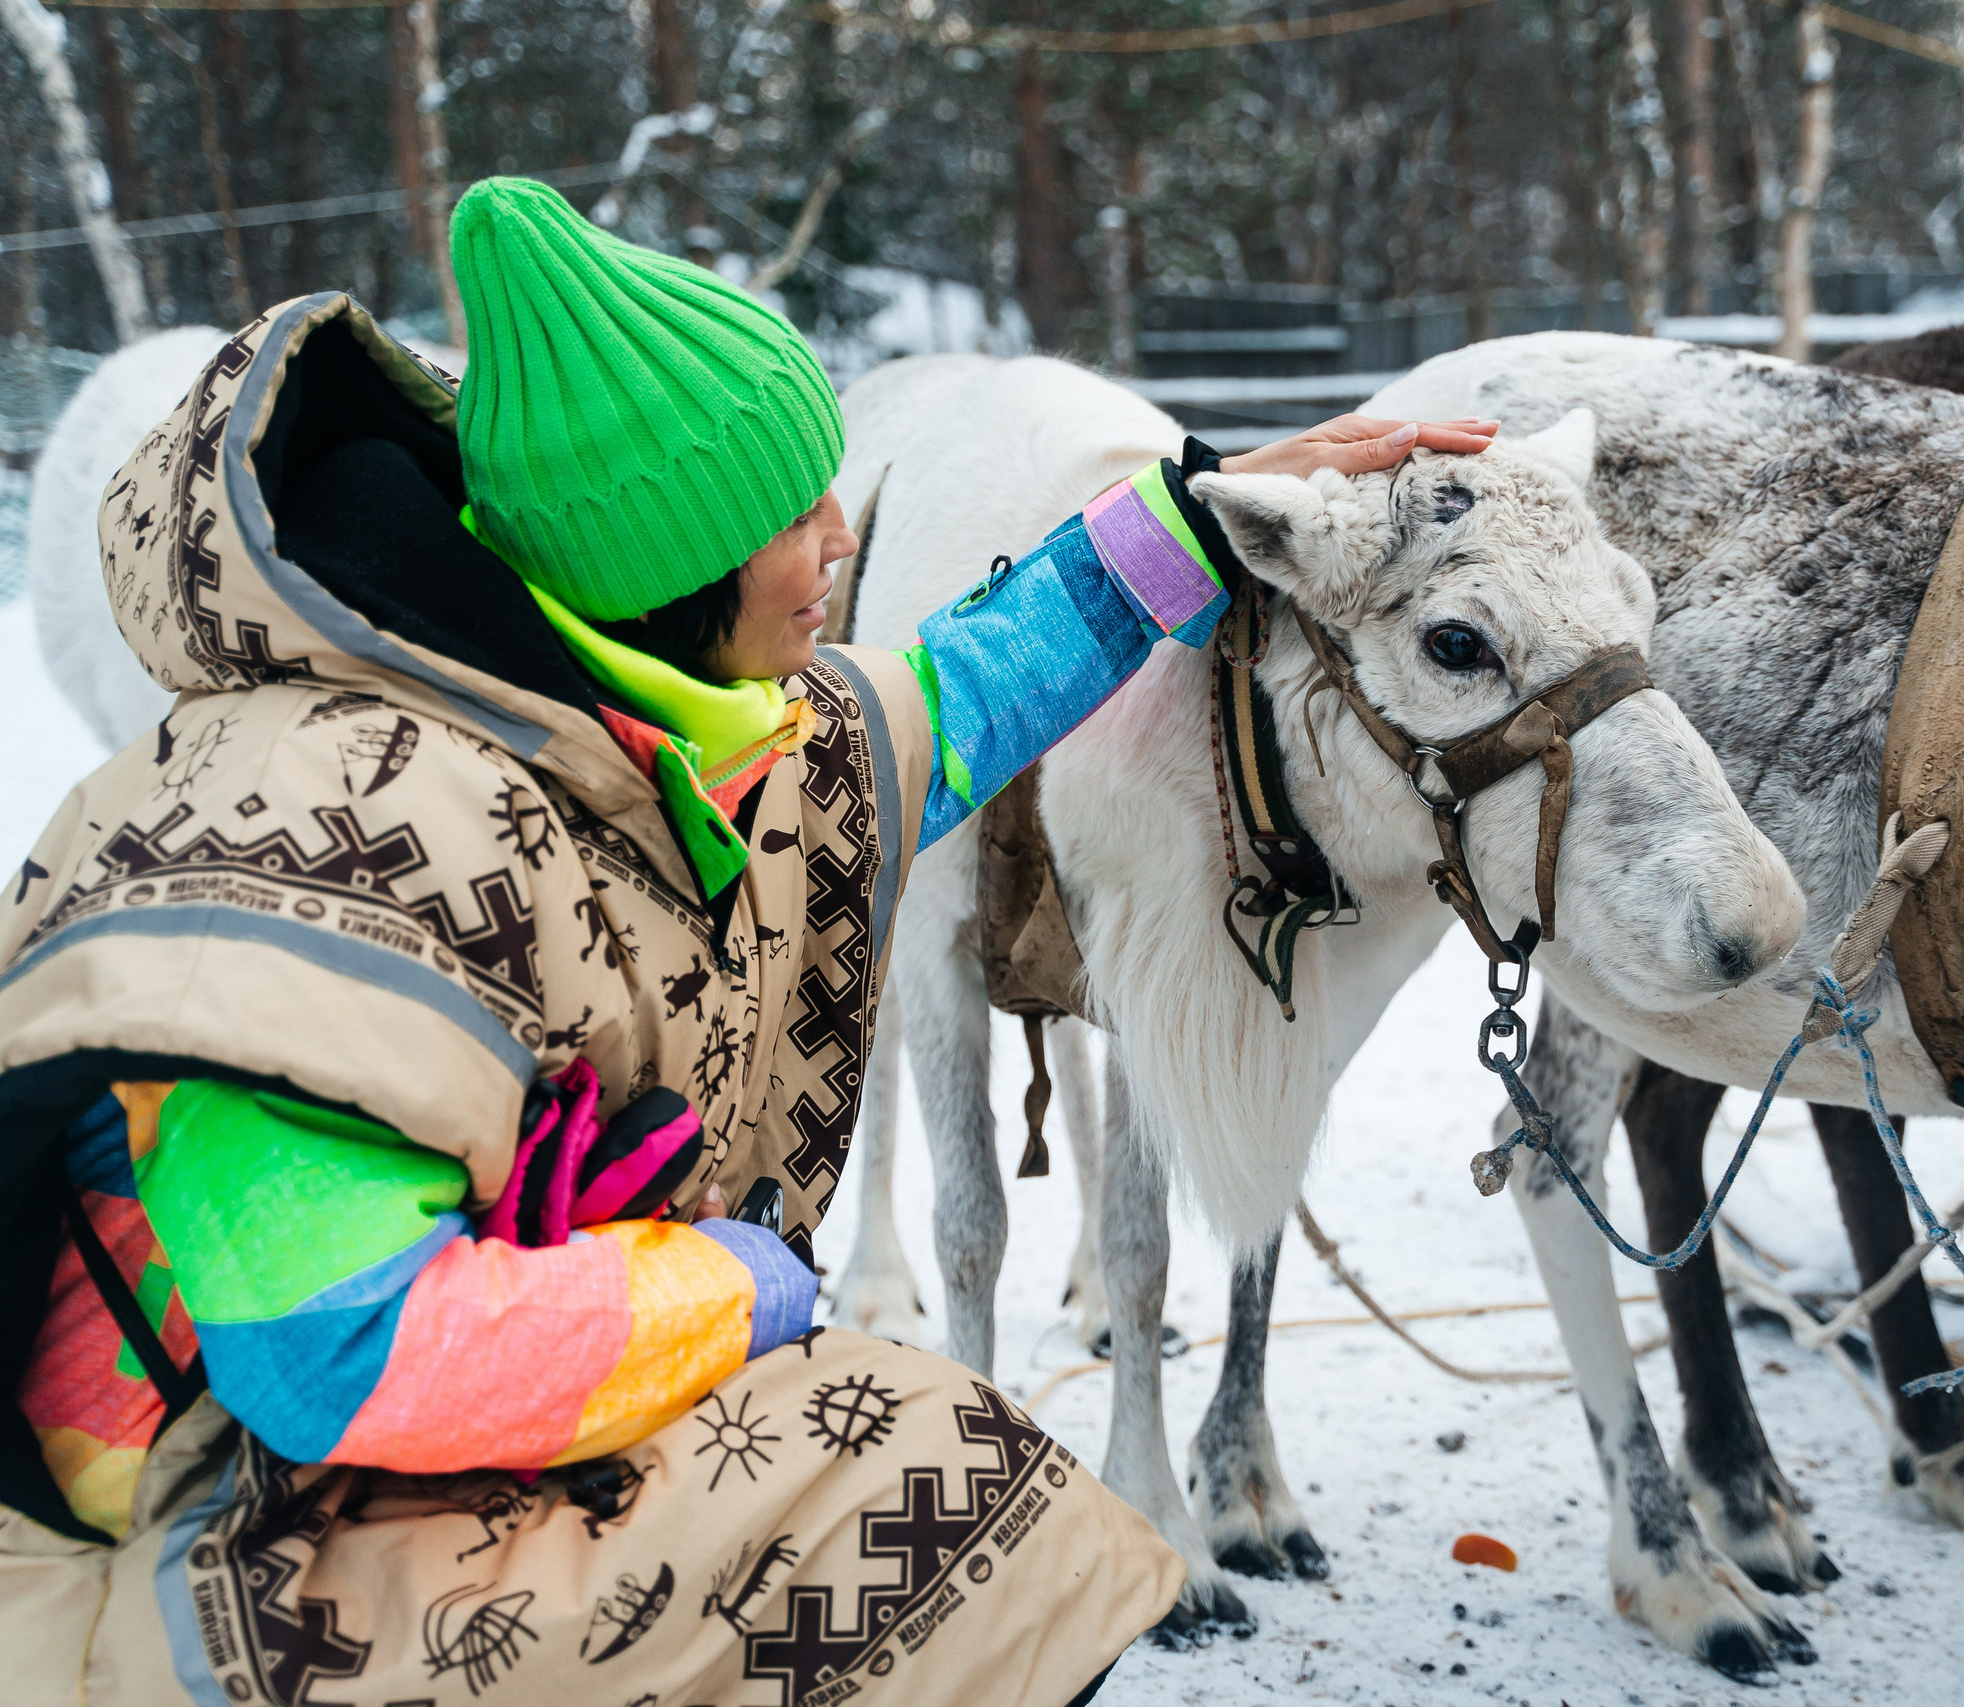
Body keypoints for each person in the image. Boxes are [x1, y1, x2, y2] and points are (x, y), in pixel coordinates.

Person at [0, 177, 1494, 1707]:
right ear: (671, 563)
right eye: (799, 512)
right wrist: (736, 1284)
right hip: (198, 1535)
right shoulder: (314, 848)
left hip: (397, 1466)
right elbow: (332, 1353)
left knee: (945, 1500)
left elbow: (958, 699)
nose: (843, 540)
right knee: (915, 1502)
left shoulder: (651, 725)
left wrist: (1193, 513)